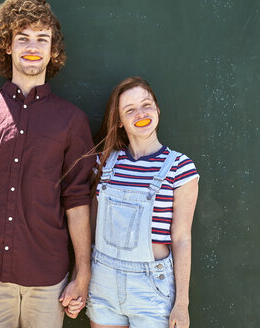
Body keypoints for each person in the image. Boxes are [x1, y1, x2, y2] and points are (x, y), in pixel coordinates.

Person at [0, 0, 93, 327]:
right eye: (22, 37)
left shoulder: (72, 121)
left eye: (42, 38)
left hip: (47, 280)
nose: (32, 47)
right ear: (7, 46)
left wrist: (82, 274)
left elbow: (78, 200)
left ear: (52, 49)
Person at [84, 77, 199, 328]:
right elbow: (91, 230)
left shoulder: (180, 167)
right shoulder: (103, 163)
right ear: (120, 122)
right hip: (104, 282)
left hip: (152, 289)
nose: (141, 113)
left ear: (157, 109)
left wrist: (182, 304)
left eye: (146, 105)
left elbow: (181, 238)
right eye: (130, 110)